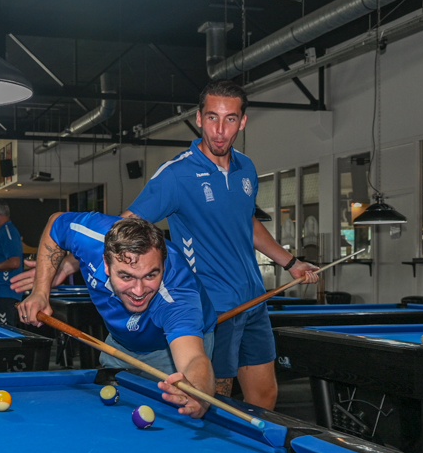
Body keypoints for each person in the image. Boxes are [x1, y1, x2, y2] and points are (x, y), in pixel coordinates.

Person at [122, 80, 318, 410]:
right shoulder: (177, 174)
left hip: (253, 299)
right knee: (214, 399)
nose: (220, 130)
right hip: (212, 305)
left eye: (230, 119)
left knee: (264, 396)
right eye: (212, 117)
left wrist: (291, 263)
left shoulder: (246, 168)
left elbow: (248, 223)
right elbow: (125, 227)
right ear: (199, 118)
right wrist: (73, 258)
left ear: (242, 122)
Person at [18, 213, 216, 418]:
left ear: (163, 265)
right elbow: (55, 224)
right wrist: (40, 292)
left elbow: (193, 357)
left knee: (171, 417)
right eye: (126, 276)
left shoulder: (177, 295)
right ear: (106, 263)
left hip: (165, 349)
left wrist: (198, 392)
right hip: (119, 342)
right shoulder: (91, 236)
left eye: (150, 275)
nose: (139, 291)